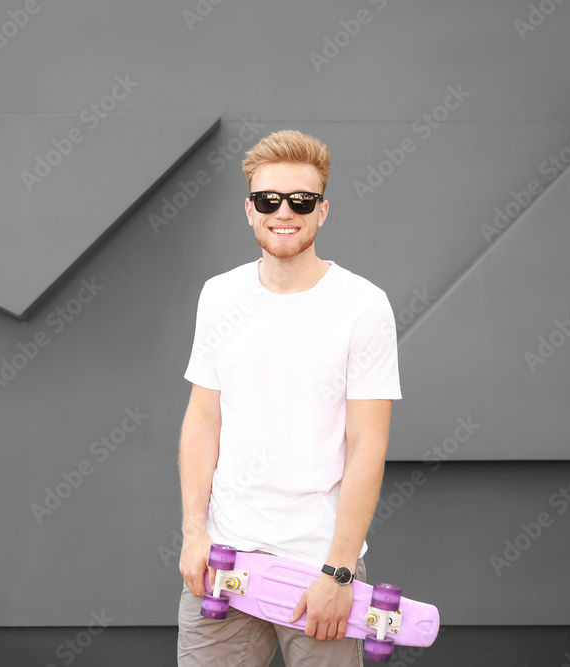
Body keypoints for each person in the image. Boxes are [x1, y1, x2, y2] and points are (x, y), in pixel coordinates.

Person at [176, 130, 401, 666]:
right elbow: (204, 421)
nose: (284, 211)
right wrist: (193, 533)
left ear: (322, 211)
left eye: (301, 200)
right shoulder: (219, 295)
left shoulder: (363, 306)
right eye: (268, 199)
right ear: (249, 210)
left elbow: (367, 447)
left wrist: (339, 570)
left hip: (318, 567)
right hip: (224, 566)